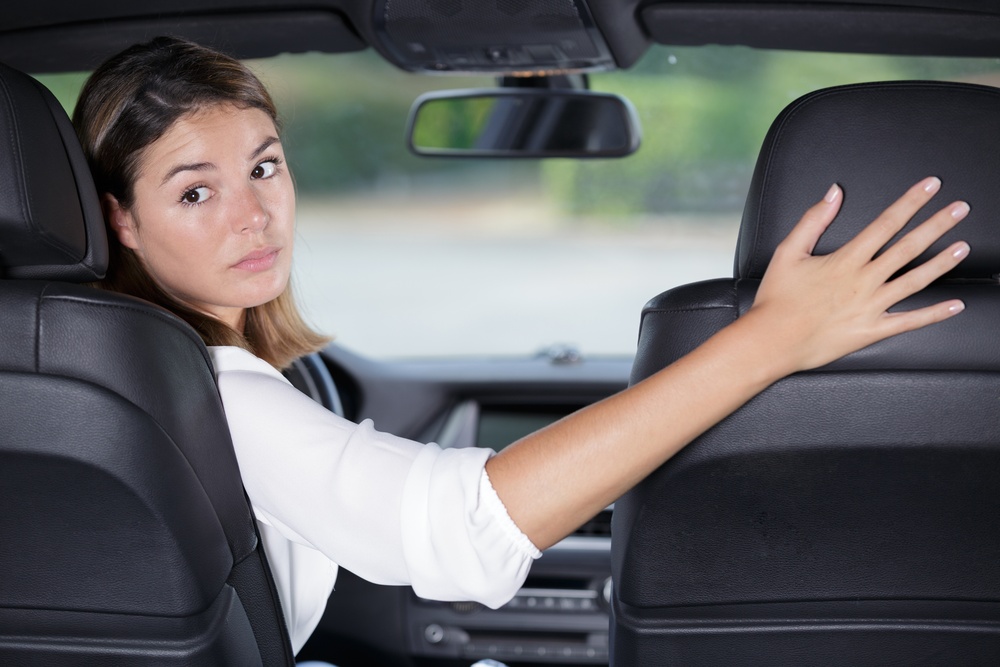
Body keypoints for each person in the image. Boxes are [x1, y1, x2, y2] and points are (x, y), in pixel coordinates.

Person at [72, 36, 971, 655]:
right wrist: (772, 336)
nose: (255, 213)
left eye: (264, 166)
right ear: (122, 220)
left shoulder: (77, 378)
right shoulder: (211, 392)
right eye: (196, 193)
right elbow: (459, 530)